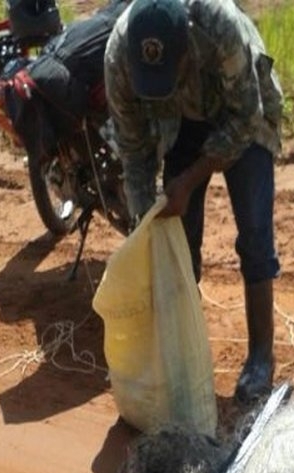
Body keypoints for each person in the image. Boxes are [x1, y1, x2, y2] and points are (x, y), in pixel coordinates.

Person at [103, 0, 284, 405]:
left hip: (240, 109)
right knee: (176, 241)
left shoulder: (218, 23)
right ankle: (181, 356)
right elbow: (134, 153)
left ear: (187, 45)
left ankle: (260, 358)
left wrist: (188, 180)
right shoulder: (118, 56)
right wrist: (143, 224)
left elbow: (245, 118)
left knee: (255, 233)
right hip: (180, 122)